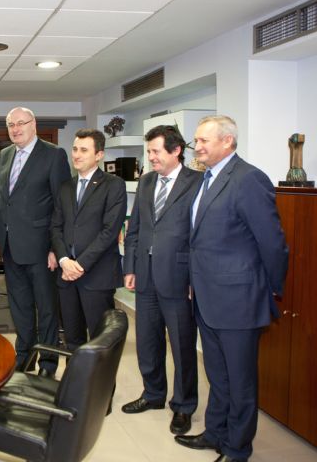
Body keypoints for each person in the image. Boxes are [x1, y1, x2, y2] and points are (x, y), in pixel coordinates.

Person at [175, 116, 288, 462]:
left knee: (240, 383)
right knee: (218, 375)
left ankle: (238, 448)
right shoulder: (205, 180)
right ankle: (215, 433)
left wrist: (270, 290)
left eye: (204, 141)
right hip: (207, 298)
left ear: (227, 141)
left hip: (239, 299)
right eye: (196, 141)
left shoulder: (248, 179)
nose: (198, 147)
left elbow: (273, 244)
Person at [121, 125, 201, 436]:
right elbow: (135, 227)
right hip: (145, 275)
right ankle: (153, 394)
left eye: (155, 151)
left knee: (181, 345)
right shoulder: (146, 181)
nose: (150, 157)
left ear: (176, 150)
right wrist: (130, 266)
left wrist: (196, 277)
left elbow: (200, 235)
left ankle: (183, 405)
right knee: (147, 341)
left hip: (179, 277)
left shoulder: (196, 183)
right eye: (149, 151)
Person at [0, 107, 71, 377]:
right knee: (20, 308)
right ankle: (24, 356)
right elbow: (6, 200)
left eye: (20, 123)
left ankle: (48, 364)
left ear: (34, 124)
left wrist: (56, 247)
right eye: (10, 124)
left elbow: (61, 205)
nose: (15, 129)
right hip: (9, 247)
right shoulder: (5, 155)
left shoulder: (54, 155)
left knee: (47, 309)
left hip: (41, 248)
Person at [50, 128, 126, 350]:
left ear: (99, 155)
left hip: (97, 276)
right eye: (74, 149)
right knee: (72, 340)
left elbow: (109, 232)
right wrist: (64, 260)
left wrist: (79, 265)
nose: (77, 154)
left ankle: (100, 387)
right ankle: (76, 385)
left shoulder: (113, 185)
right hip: (66, 276)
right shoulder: (65, 187)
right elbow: (55, 226)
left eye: (84, 150)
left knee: (100, 344)